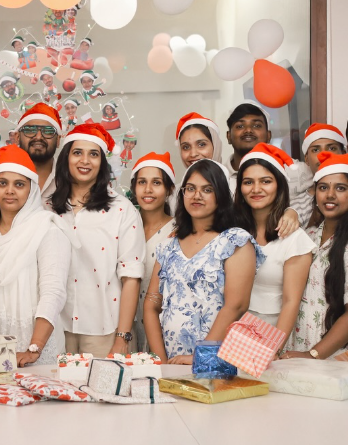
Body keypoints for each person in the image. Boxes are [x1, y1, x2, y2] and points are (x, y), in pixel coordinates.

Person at [143, 160, 264, 364]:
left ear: (221, 195)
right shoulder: (168, 245)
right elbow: (151, 304)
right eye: (190, 189)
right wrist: (161, 362)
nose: (197, 195)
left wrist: (200, 357)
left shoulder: (235, 241)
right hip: (171, 360)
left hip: (215, 359)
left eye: (207, 189)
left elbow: (236, 306)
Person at [52, 124, 145, 357]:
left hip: (105, 331)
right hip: (55, 327)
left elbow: (131, 277)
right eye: (77, 153)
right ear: (66, 158)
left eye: (93, 154)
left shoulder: (122, 209)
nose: (85, 161)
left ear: (102, 162)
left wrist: (122, 337)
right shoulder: (48, 207)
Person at [0, 146, 71, 366]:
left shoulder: (48, 229)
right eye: (2, 183)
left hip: (38, 345)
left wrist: (34, 347)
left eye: (19, 184)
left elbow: (53, 292)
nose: (10, 191)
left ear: (31, 190)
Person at [283, 153, 348, 359]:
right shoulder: (309, 235)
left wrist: (313, 354)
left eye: (340, 188)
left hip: (339, 356)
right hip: (304, 347)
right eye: (323, 188)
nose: (330, 195)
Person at [234, 144, 314, 342]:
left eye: (266, 181)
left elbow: (290, 302)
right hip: (231, 330)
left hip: (273, 333)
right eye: (248, 182)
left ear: (279, 185)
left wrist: (273, 348)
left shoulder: (295, 239)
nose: (256, 189)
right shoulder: (232, 231)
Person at [225, 101, 305, 229]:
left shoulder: (296, 170)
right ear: (228, 136)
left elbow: (316, 192)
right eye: (240, 126)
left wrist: (294, 211)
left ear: (269, 135)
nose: (248, 130)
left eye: (257, 125)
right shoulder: (219, 175)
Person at [130, 152, 176, 352]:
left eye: (156, 183)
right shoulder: (125, 226)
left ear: (169, 189)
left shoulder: (178, 231)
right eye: (142, 182)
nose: (148, 189)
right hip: (127, 326)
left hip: (163, 328)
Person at [0, 103, 64, 211]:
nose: (38, 137)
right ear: (17, 137)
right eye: (30, 130)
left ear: (58, 140)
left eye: (48, 131)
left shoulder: (71, 181)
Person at [295, 123, 347, 227]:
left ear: (344, 153)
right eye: (316, 150)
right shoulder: (296, 206)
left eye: (332, 148)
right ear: (307, 159)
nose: (324, 155)